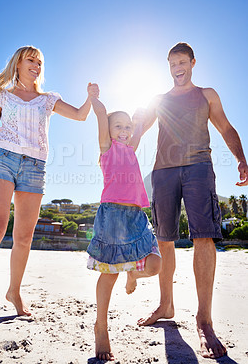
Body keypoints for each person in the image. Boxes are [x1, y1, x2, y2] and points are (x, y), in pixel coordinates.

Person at [0, 45, 99, 352]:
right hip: (1, 159)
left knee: (23, 237)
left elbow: (80, 115)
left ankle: (14, 292)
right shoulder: (0, 94)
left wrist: (90, 96)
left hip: (35, 166)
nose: (36, 65)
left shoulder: (49, 100)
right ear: (18, 63)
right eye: (31, 60)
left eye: (40, 62)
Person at [137, 42, 248, 359]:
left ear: (193, 63)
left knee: (203, 236)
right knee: (165, 239)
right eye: (172, 63)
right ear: (168, 66)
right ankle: (166, 304)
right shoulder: (158, 100)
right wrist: (119, 157)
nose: (177, 67)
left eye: (182, 62)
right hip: (163, 171)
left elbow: (226, 128)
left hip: (199, 167)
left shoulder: (207, 95)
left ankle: (204, 319)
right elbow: (138, 130)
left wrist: (241, 158)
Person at [86, 96, 162, 361]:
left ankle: (133, 273)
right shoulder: (107, 148)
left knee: (154, 265)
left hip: (136, 216)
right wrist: (95, 100)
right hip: (112, 218)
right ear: (108, 131)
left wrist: (145, 112)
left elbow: (141, 125)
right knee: (109, 275)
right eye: (118, 126)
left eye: (127, 127)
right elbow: (101, 114)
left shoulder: (131, 148)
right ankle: (101, 327)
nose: (124, 130)